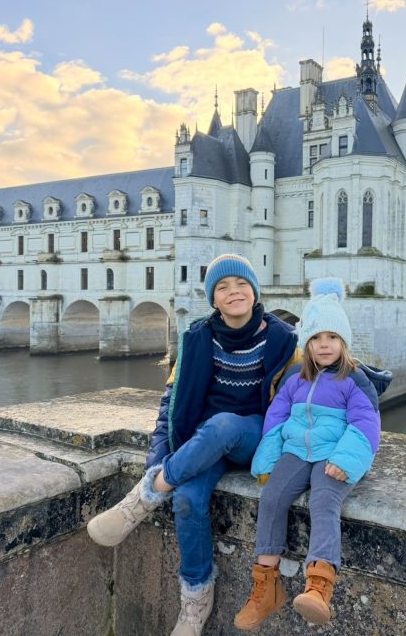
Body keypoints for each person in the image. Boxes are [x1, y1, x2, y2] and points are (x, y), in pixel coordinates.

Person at [86, 253, 300, 636]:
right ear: (213, 299)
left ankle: (145, 497)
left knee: (223, 424)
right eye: (223, 287)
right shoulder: (197, 339)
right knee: (186, 499)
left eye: (241, 284)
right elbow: (169, 407)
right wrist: (158, 456)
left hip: (255, 438)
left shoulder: (284, 340)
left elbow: (315, 387)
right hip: (204, 443)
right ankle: (195, 602)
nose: (234, 292)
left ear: (255, 291)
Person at [233, 278, 392, 630]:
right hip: (296, 451)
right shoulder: (295, 375)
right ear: (306, 342)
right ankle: (266, 587)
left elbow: (366, 422)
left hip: (334, 453)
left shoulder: (355, 378)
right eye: (317, 337)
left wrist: (346, 460)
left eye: (332, 337)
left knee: (324, 499)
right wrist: (267, 457)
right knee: (272, 497)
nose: (324, 344)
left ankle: (319, 586)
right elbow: (277, 418)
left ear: (343, 341)